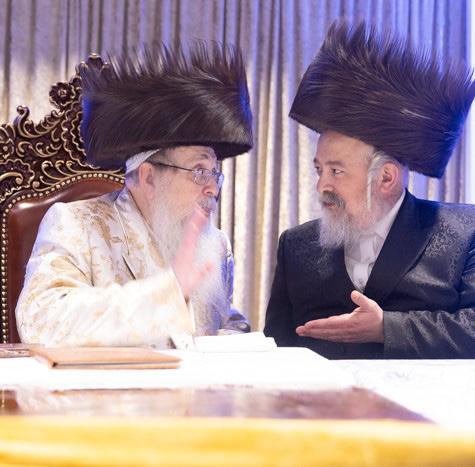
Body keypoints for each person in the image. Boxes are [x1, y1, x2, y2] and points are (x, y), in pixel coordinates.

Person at [16, 42, 253, 349]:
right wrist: (169, 293)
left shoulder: (215, 245)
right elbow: (42, 321)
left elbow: (225, 323)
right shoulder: (76, 225)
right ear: (148, 176)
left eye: (214, 173)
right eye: (199, 171)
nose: (213, 188)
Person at [264, 20, 475, 359]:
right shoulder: (296, 246)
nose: (322, 185)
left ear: (386, 178)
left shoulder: (464, 233)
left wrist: (386, 329)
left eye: (336, 171)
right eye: (319, 170)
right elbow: (276, 347)